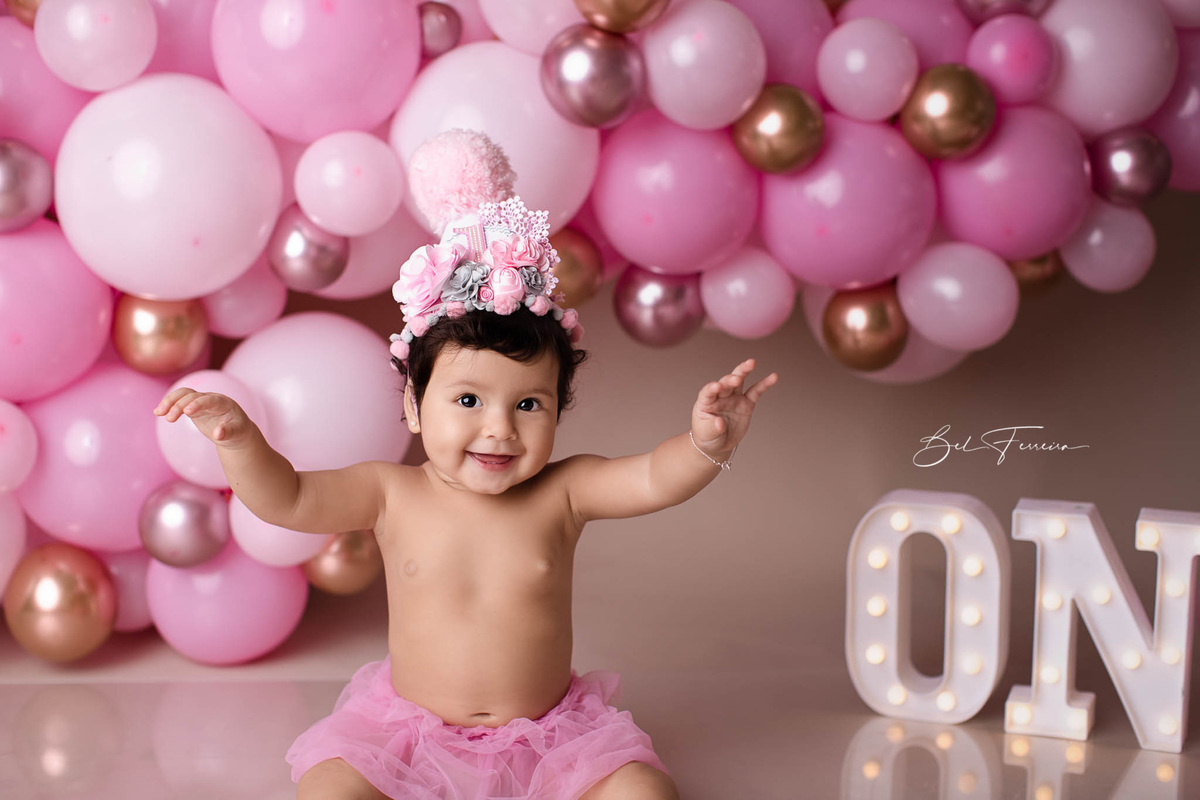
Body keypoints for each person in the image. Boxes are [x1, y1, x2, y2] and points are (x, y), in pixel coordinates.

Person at [153, 131, 777, 800]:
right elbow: (290, 499)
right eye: (469, 400)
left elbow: (654, 478)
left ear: (559, 410)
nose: (499, 429)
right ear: (414, 406)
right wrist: (240, 442)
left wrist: (708, 442)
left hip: (547, 737)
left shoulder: (564, 491)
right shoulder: (390, 493)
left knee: (644, 795)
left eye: (529, 404)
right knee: (327, 791)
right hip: (410, 735)